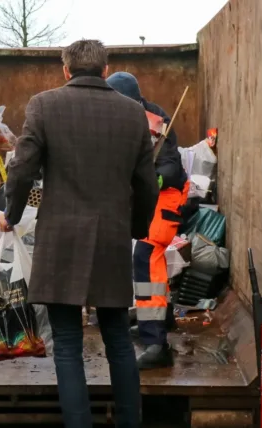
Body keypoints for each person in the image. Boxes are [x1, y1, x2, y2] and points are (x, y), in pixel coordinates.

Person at [0, 40, 158, 428]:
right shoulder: (132, 114)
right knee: (119, 340)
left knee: (67, 344)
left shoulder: (43, 105)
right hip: (110, 238)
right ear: (105, 70)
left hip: (61, 240)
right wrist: (135, 227)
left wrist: (10, 214)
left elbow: (21, 170)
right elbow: (146, 184)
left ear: (65, 69)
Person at [106, 72, 190, 370]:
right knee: (147, 259)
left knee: (146, 256)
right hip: (150, 197)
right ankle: (158, 320)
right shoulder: (122, 118)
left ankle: (156, 343)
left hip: (166, 196)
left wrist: (149, 177)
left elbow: (169, 166)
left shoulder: (156, 120)